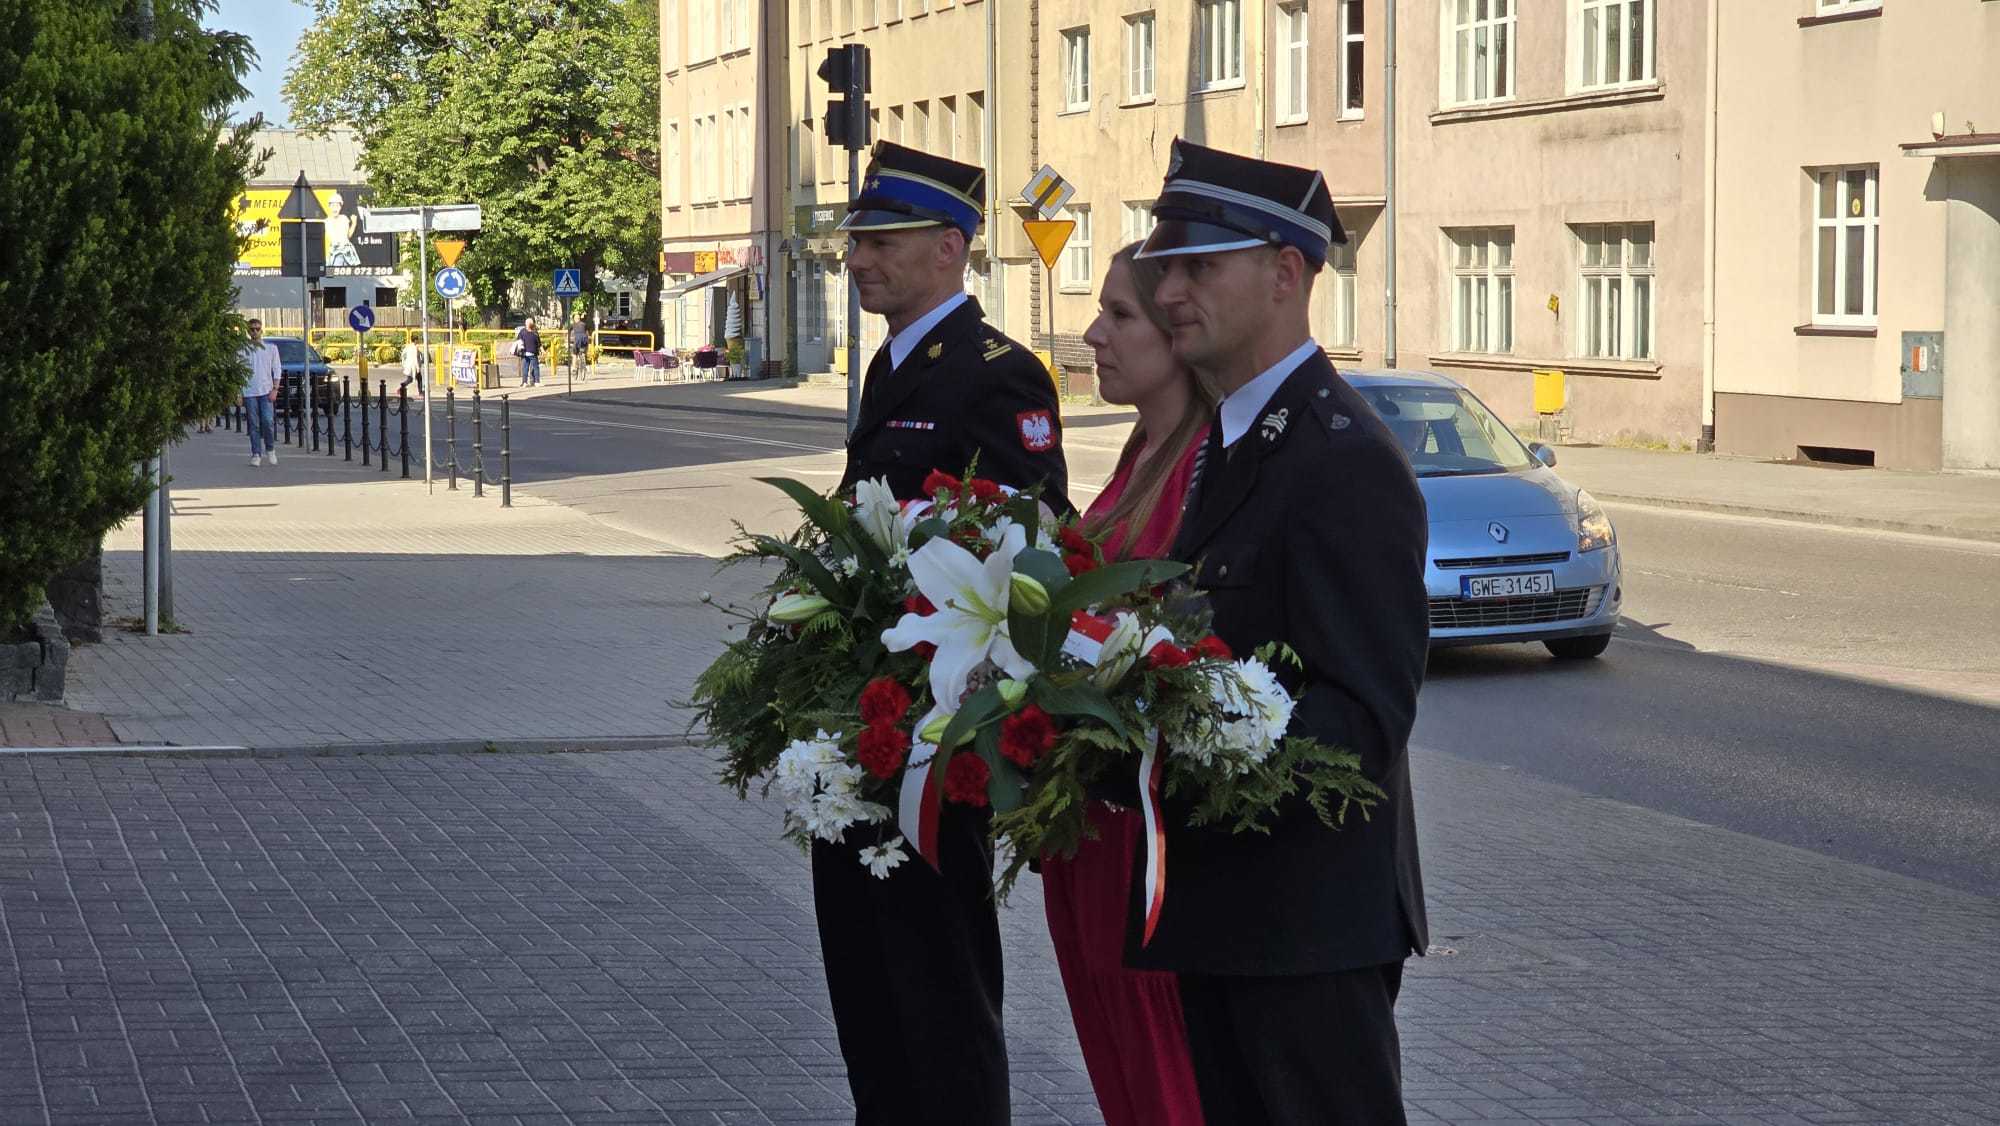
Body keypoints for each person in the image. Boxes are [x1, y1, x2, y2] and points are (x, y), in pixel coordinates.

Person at [1129, 138, 1431, 1124]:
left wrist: (1188, 741)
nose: (1170, 289)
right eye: (1164, 266)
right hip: (1234, 915)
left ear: (1284, 273)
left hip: (1308, 927)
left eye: (1197, 265)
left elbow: (1362, 719)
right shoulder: (1232, 438)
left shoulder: (1342, 459)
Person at [826, 140, 1069, 1126]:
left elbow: (1037, 543)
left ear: (948, 246)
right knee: (867, 985)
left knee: (938, 988)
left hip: (936, 734)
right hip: (860, 720)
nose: (857, 258)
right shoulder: (891, 365)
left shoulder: (994, 373)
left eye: (880, 239)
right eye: (854, 239)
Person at [1044, 243, 1214, 1126]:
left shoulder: (1199, 467)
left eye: (1119, 315)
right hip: (1095, 823)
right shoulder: (1144, 448)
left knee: (1160, 1073)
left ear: (1178, 335)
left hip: (1142, 835)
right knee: (1118, 1064)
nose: (1092, 334)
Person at [240, 318, 281, 467]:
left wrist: (275, 389)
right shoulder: (242, 350)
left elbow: (277, 369)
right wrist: (238, 393)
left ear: (261, 330)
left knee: (268, 421)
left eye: (257, 329)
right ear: (248, 331)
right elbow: (238, 371)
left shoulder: (271, 348)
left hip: (266, 391)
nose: (255, 331)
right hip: (249, 392)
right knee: (253, 424)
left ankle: (270, 449)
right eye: (252, 329)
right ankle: (256, 453)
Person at [515, 319, 542, 386]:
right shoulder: (535, 332)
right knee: (535, 368)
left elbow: (518, 341)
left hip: (525, 353)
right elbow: (538, 343)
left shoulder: (522, 332)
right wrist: (542, 350)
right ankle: (536, 382)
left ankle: (524, 382)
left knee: (525, 368)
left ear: (526, 324)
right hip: (533, 353)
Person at [567, 316, 591, 382]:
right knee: (583, 352)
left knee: (574, 355)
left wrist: (568, 341)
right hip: (584, 340)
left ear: (574, 319)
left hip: (577, 340)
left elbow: (568, 333)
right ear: (579, 319)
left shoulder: (573, 325)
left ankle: (574, 368)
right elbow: (587, 333)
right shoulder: (584, 324)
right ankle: (584, 364)